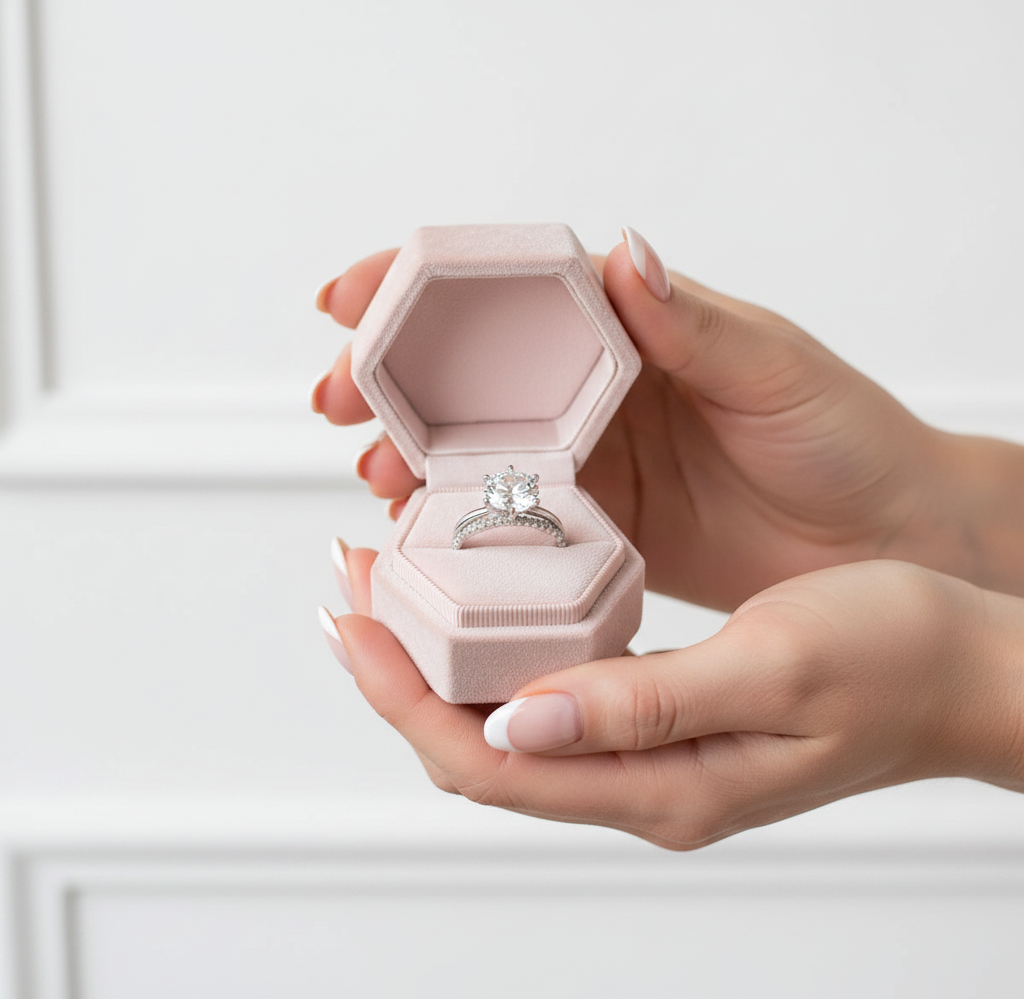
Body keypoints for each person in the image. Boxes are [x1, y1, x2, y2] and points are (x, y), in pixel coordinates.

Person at [311, 227, 1024, 850]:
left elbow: (968, 681)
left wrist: (975, 681)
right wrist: (930, 515)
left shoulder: (544, 505)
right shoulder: (498, 500)